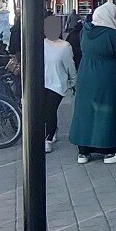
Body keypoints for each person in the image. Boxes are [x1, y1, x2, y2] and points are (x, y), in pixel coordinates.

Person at [69, 2, 116, 164]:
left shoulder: (85, 31)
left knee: (86, 111)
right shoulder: (113, 35)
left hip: (85, 75)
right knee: (106, 111)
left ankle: (83, 151)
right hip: (107, 78)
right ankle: (109, 151)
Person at [43, 15, 76, 154]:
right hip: (41, 83)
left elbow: (70, 66)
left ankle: (48, 138)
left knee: (49, 111)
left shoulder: (64, 46)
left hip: (57, 84)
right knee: (43, 112)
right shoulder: (39, 43)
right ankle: (51, 131)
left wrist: (74, 82)